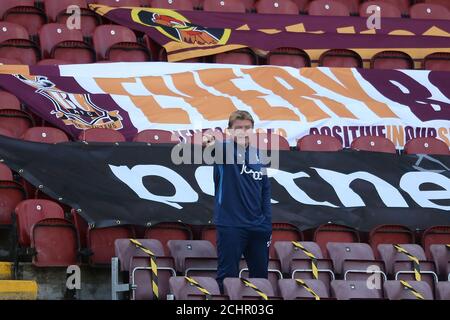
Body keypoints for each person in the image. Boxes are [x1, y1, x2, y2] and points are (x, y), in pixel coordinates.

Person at [203, 110, 272, 292]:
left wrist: (267, 223)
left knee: (261, 279)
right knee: (227, 278)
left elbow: (265, 190)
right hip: (230, 225)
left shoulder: (260, 156)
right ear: (230, 131)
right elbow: (212, 148)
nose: (243, 132)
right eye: (238, 128)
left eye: (247, 128)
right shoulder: (224, 150)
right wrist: (209, 143)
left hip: (258, 227)